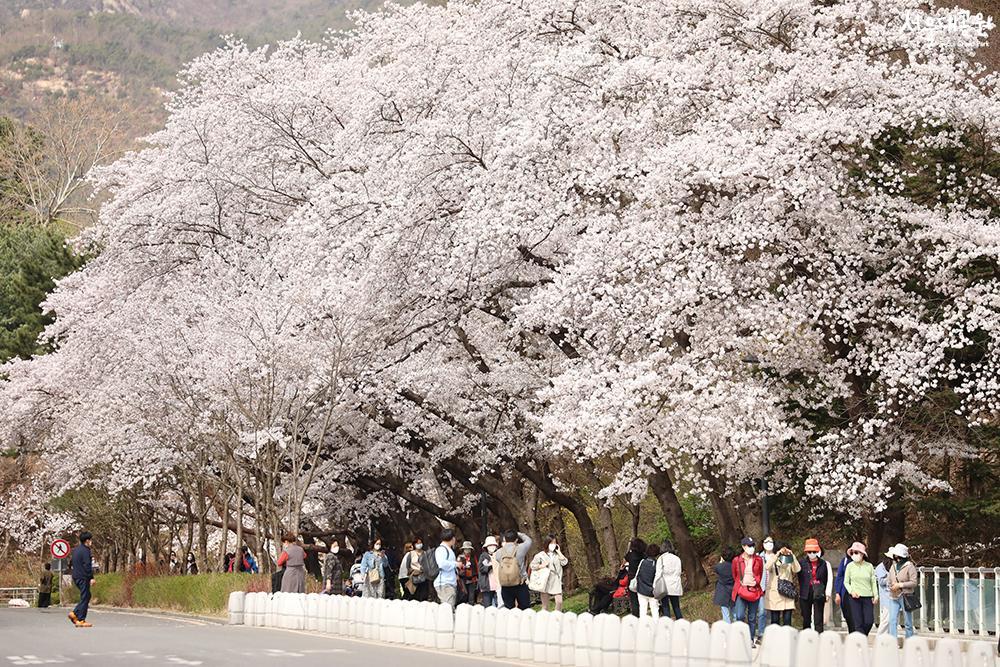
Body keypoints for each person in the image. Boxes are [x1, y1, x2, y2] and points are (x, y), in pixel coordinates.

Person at [732, 536, 764, 646]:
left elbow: (760, 572)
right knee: (739, 615)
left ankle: (750, 639)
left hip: (754, 591)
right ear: (743, 547)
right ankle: (740, 637)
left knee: (752, 616)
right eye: (749, 546)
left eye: (752, 545)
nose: (751, 548)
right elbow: (734, 575)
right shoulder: (737, 560)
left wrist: (756, 581)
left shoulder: (758, 559)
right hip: (741, 590)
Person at [843, 541, 878, 635]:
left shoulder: (869, 566)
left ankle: (861, 637)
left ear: (862, 554)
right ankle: (860, 643)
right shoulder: (849, 566)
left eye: (856, 552)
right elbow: (846, 582)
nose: (854, 555)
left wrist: (876, 595)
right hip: (854, 597)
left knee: (868, 621)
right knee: (857, 622)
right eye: (852, 553)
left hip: (867, 597)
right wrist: (851, 592)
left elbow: (873, 581)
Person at [798, 538, 831, 633]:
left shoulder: (823, 564)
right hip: (805, 592)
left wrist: (826, 592)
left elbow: (826, 579)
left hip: (818, 592)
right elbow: (799, 576)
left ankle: (819, 637)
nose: (811, 553)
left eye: (813, 551)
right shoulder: (802, 563)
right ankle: (806, 638)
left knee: (818, 618)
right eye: (809, 551)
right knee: (806, 618)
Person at [764, 541, 801, 626]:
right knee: (775, 620)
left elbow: (797, 569)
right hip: (775, 593)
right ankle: (775, 638)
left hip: (787, 592)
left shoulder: (789, 559)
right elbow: (767, 566)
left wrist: (792, 555)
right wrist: (777, 555)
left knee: (787, 619)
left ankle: (787, 637)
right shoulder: (773, 558)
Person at [494, 530, 533, 610]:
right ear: (516, 539)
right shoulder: (521, 548)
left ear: (505, 539)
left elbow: (498, 560)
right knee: (524, 608)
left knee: (508, 609)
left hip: (505, 584)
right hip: (520, 583)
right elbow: (529, 540)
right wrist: (519, 533)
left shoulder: (498, 552)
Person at [529, 534, 569, 611]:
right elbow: (532, 566)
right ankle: (545, 620)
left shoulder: (557, 554)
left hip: (556, 580)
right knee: (545, 606)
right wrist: (541, 566)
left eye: (554, 543)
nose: (553, 545)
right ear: (547, 543)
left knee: (559, 601)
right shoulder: (540, 555)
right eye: (551, 543)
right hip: (545, 581)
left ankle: (556, 617)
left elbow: (564, 562)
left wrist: (559, 552)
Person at [886, 543, 917, 639]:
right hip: (893, 596)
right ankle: (892, 641)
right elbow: (889, 580)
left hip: (905, 596)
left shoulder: (909, 566)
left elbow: (914, 582)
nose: (896, 557)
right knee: (892, 620)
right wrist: (891, 586)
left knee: (908, 621)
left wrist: (900, 585)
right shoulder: (893, 566)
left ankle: (909, 640)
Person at [68, 531, 95, 627]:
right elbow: (87, 565)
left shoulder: (76, 550)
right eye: (90, 540)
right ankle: (79, 618)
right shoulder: (86, 550)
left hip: (76, 576)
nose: (91, 542)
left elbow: (70, 564)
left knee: (86, 596)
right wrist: (91, 577)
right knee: (85, 596)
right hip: (83, 577)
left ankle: (76, 615)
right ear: (87, 541)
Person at [655, 539, 683, 619]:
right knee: (676, 607)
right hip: (675, 584)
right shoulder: (677, 558)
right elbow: (679, 572)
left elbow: (658, 574)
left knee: (665, 607)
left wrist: (655, 585)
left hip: (664, 585)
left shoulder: (661, 558)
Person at [756, 537, 776, 641]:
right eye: (766, 542)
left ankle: (773, 633)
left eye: (771, 541)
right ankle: (761, 633)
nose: (769, 544)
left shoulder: (777, 556)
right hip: (762, 588)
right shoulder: (759, 557)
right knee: (762, 611)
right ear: (763, 544)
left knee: (774, 612)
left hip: (774, 588)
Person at [633, 543, 661, 618]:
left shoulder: (642, 562)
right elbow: (658, 577)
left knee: (642, 609)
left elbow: (637, 574)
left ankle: (642, 627)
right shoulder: (657, 564)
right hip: (652, 591)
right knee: (655, 610)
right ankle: (656, 627)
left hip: (641, 589)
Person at [434, 529, 459, 608]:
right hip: (445, 583)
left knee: (449, 608)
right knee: (448, 609)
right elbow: (441, 564)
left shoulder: (449, 549)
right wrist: (456, 564)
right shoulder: (441, 549)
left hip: (449, 582)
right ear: (452, 538)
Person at [624, 538, 647, 617]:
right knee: (642, 598)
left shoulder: (630, 555)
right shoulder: (644, 555)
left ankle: (636, 616)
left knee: (634, 599)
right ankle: (643, 615)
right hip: (642, 577)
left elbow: (623, 562)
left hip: (632, 578)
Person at [713, 547, 737, 623]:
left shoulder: (719, 567)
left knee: (725, 613)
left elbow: (716, 570)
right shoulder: (735, 566)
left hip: (723, 591)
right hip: (733, 591)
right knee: (734, 611)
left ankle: (727, 629)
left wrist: (721, 562)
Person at [834, 545, 854, 632]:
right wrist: (838, 593)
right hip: (845, 592)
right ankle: (852, 633)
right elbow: (839, 577)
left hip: (858, 592)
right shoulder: (844, 561)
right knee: (847, 615)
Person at [874, 551, 893, 636]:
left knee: (893, 620)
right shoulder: (880, 567)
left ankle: (890, 640)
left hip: (896, 596)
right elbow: (881, 581)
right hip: (886, 597)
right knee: (886, 619)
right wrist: (892, 579)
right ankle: (880, 638)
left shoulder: (895, 567)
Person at [479, 536, 499, 608]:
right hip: (487, 585)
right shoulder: (483, 556)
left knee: (498, 605)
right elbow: (481, 568)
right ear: (486, 547)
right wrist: (490, 566)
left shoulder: (498, 555)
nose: (492, 547)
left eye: (493, 545)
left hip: (498, 584)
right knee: (487, 606)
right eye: (490, 545)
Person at [457, 541, 479, 605]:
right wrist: (464, 567)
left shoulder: (473, 557)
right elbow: (457, 569)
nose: (467, 551)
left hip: (472, 579)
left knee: (471, 595)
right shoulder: (460, 557)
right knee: (463, 594)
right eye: (466, 549)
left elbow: (477, 567)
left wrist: (477, 577)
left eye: (468, 549)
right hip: (463, 579)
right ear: (463, 550)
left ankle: (471, 605)